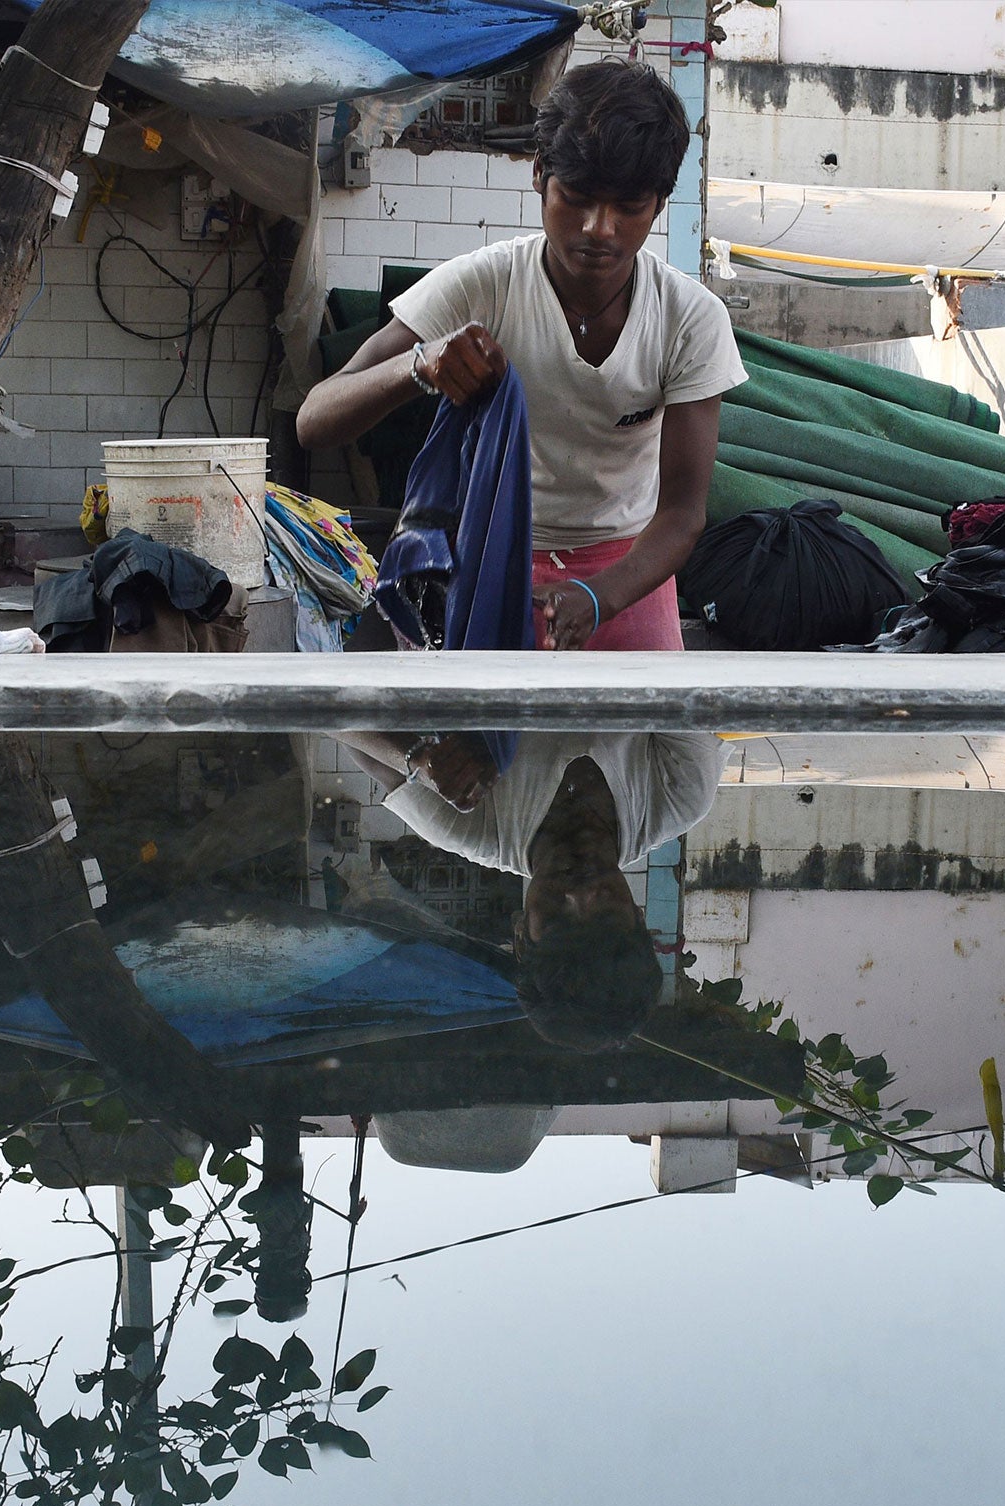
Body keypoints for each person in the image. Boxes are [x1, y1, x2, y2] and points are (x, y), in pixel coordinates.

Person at [295, 60, 747, 651]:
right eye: (577, 198)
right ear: (539, 176)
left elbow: (683, 514)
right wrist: (420, 365)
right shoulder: (482, 286)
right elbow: (314, 420)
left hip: (628, 574)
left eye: (628, 208)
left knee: (639, 742)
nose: (598, 228)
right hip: (483, 565)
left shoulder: (690, 319)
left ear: (660, 202)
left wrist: (598, 596)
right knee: (463, 742)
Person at [333, 730, 726, 1049]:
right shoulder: (677, 796)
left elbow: (337, 718)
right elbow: (691, 664)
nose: (578, 895)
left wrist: (415, 757)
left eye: (556, 921)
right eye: (604, 915)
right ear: (638, 916)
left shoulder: (469, 823)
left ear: (520, 936)